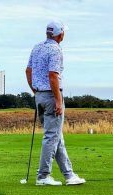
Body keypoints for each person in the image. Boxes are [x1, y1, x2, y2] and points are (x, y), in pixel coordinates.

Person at [25, 21, 85, 185]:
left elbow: (28, 71)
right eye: (63, 32)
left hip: (40, 96)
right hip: (52, 96)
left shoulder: (37, 47)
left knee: (56, 136)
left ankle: (69, 175)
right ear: (60, 34)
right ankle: (43, 176)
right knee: (51, 136)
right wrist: (58, 100)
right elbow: (53, 75)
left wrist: (35, 91)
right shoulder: (56, 50)